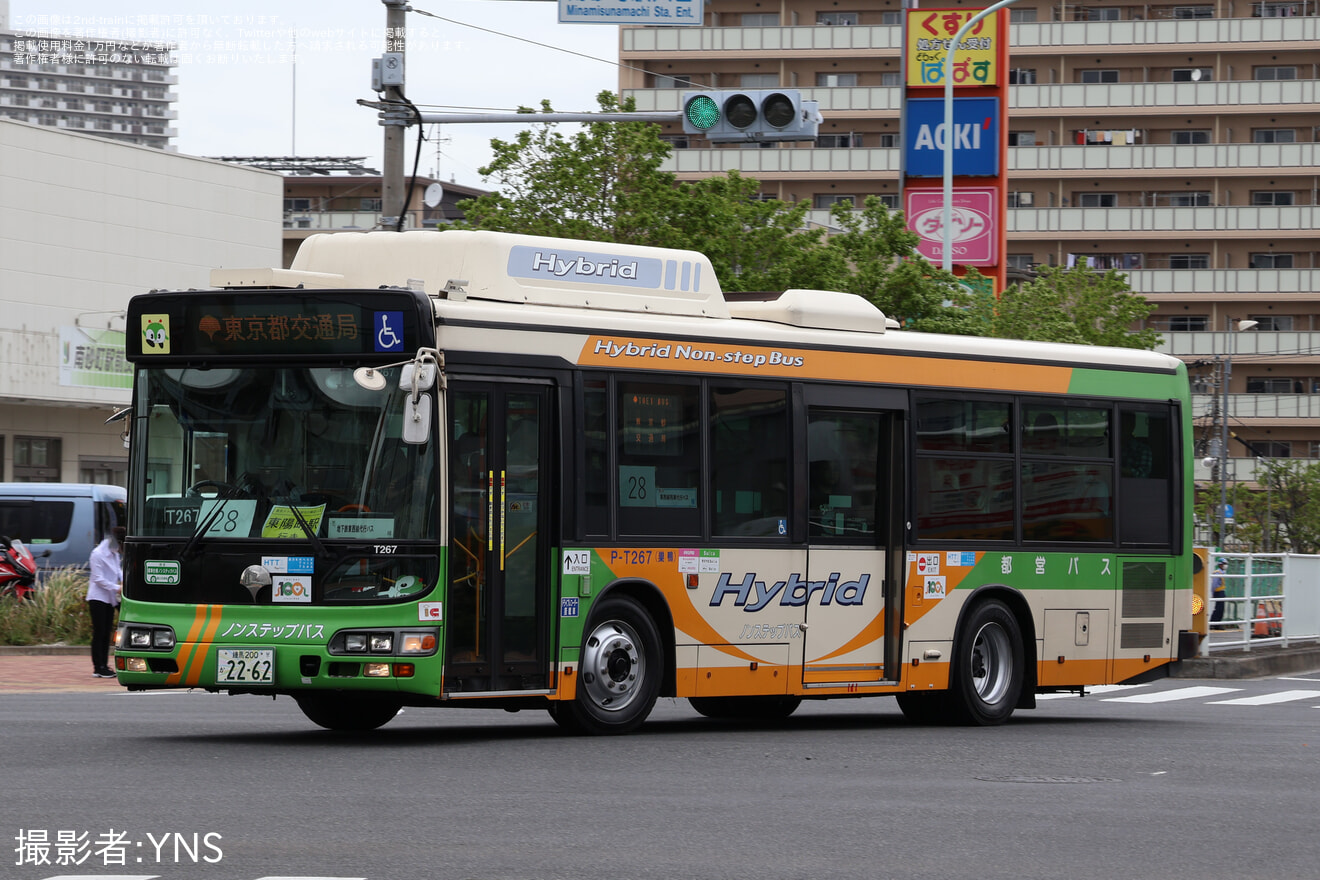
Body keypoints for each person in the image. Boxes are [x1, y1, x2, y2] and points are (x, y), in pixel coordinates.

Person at [87, 526, 124, 678]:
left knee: (107, 632)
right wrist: (117, 587)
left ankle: (104, 664)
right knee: (99, 632)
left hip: (109, 598)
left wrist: (124, 581)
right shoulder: (98, 554)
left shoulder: (114, 554)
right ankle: (98, 667)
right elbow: (98, 578)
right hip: (98, 598)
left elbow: (118, 571)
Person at [1210, 559, 1228, 628]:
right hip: (1218, 592)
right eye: (1224, 564)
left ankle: (1217, 623)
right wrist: (1213, 592)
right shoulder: (1217, 572)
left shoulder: (1222, 572)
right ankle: (1213, 623)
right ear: (1220, 564)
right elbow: (1214, 584)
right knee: (1218, 608)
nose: (1225, 565)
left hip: (1222, 592)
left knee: (1221, 608)